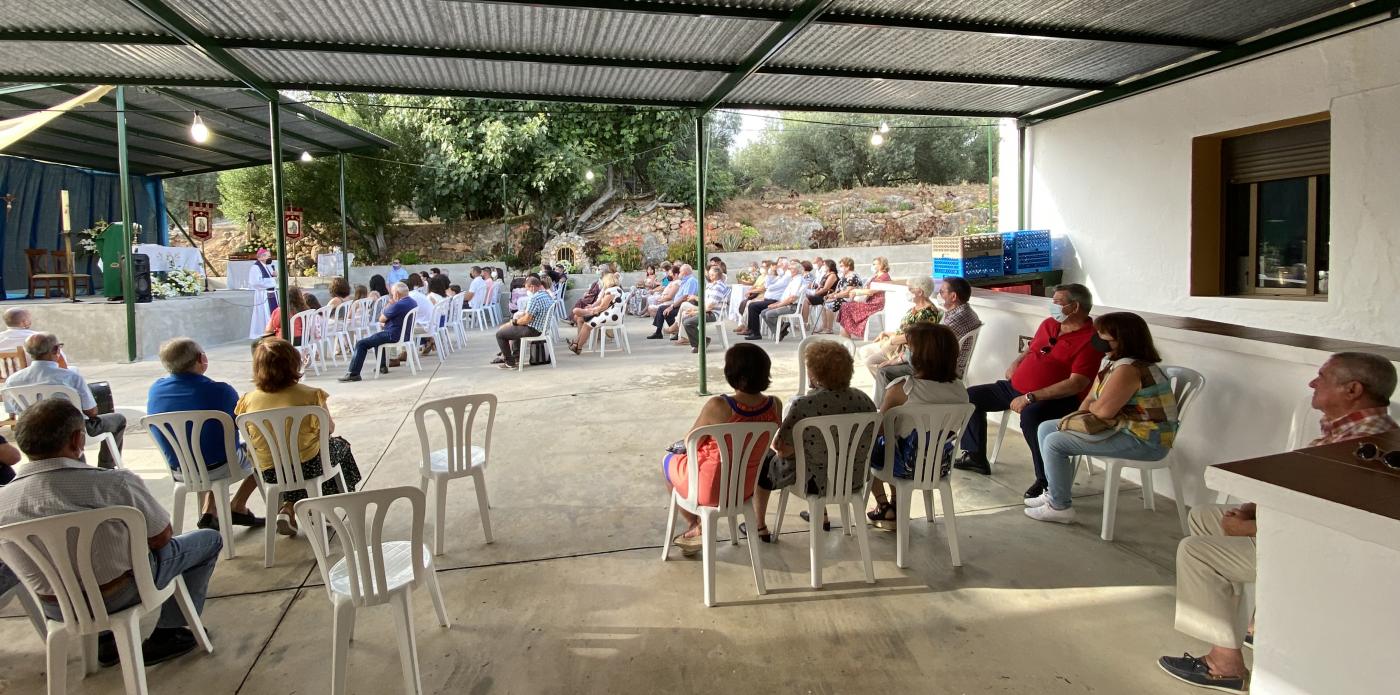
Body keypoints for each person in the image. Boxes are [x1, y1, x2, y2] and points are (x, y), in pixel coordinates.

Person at [1157, 352, 1397, 694]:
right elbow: (1303, 484)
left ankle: (1223, 664)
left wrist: (1254, 527)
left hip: (1316, 549)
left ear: (1353, 389)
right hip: (1296, 528)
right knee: (1206, 516)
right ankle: (1254, 623)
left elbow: (1325, 520)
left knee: (1197, 553)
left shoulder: (1363, 445)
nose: (1313, 383)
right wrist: (1253, 508)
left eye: (1323, 377)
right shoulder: (1349, 427)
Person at [0, 398, 222, 666]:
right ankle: (170, 631)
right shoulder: (113, 483)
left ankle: (105, 640)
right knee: (208, 540)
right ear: (77, 439)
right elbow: (161, 537)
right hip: (121, 592)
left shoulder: (4, 501)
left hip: (56, 606)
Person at [955, 284, 1105, 500]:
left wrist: (1030, 397)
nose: (1053, 306)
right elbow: (1033, 348)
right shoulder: (1050, 324)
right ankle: (975, 456)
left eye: (1058, 302)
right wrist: (1016, 362)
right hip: (1014, 387)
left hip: (1055, 399)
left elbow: (1076, 384)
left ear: (1075, 307)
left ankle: (1046, 480)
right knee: (971, 397)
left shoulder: (1090, 341)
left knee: (1032, 416)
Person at [1026, 313, 1178, 523]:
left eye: (1102, 334)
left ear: (1121, 339)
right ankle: (1054, 492)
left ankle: (1059, 507)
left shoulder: (1129, 369)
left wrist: (1094, 407)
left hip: (1145, 439)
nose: (1096, 337)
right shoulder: (1113, 362)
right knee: (1047, 428)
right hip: (1123, 427)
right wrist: (1077, 419)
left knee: (1055, 442)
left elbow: (1102, 411)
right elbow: (1090, 400)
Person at [748, 340, 877, 540]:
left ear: (815, 374)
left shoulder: (804, 405)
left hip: (813, 482)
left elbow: (782, 448)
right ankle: (821, 514)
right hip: (852, 477)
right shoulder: (864, 400)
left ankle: (759, 526)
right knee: (826, 453)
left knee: (766, 462)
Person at [662, 343, 782, 555]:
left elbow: (692, 440)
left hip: (709, 488)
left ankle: (695, 523)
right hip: (744, 488)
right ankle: (697, 525)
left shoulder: (719, 406)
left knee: (667, 463)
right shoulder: (775, 405)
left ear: (731, 373)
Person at [237, 339, 361, 536]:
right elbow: (328, 429)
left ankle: (288, 506)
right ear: (294, 363)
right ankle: (323, 507)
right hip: (309, 466)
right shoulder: (311, 396)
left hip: (270, 471)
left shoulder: (247, 400)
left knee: (290, 461)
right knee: (339, 447)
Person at [146, 338, 265, 530]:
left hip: (180, 469)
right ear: (202, 359)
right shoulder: (221, 391)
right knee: (263, 453)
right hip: (220, 466)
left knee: (204, 449)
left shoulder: (155, 391)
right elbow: (244, 426)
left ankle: (211, 510)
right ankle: (237, 505)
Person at [866, 323, 969, 525]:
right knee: (901, 442)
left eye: (910, 349)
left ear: (922, 356)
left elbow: (878, 431)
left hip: (904, 466)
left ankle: (884, 504)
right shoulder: (960, 390)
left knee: (869, 446)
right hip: (938, 464)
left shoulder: (902, 388)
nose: (906, 354)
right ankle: (896, 503)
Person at [5, 333, 125, 468]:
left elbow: (14, 411)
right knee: (119, 419)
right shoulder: (70, 376)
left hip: (35, 434)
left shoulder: (13, 380)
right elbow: (91, 412)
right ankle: (107, 466)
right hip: (73, 431)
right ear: (56, 350)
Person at [859, 275, 941, 394]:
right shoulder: (915, 308)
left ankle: (891, 389)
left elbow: (915, 337)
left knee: (870, 362)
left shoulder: (927, 312)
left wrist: (892, 340)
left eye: (910, 289)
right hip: (896, 344)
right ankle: (885, 387)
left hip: (905, 349)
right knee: (864, 351)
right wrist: (887, 333)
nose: (908, 292)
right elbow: (905, 330)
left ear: (919, 292)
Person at [339, 282, 415, 382]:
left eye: (392, 293)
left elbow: (381, 319)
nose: (391, 295)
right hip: (405, 334)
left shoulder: (398, 305)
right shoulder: (412, 302)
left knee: (361, 344)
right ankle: (382, 366)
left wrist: (390, 305)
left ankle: (353, 373)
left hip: (393, 334)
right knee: (376, 338)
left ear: (396, 294)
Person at [493, 275, 554, 369]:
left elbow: (527, 319)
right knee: (513, 330)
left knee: (500, 334)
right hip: (542, 328)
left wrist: (514, 322)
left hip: (533, 329)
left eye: (527, 289)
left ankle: (509, 362)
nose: (527, 291)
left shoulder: (534, 298)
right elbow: (529, 315)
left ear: (532, 287)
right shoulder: (546, 295)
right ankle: (516, 358)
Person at [569, 273, 623, 354]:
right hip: (614, 315)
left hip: (610, 316)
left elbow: (603, 306)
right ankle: (577, 345)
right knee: (585, 320)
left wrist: (593, 310)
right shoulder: (618, 289)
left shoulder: (610, 291)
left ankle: (578, 347)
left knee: (587, 325)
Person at [838, 256, 892, 338]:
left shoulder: (884, 277)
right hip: (870, 301)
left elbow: (871, 291)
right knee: (845, 306)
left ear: (881, 265)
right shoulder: (875, 276)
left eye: (874, 264)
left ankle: (846, 334)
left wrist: (856, 291)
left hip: (875, 304)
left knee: (846, 306)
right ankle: (846, 333)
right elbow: (867, 289)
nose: (872, 266)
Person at [737, 260, 793, 339]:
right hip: (768, 299)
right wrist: (770, 273)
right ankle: (752, 330)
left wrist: (769, 286)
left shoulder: (787, 276)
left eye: (780, 265)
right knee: (750, 304)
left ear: (786, 266)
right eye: (778, 265)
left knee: (753, 306)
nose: (778, 266)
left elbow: (771, 286)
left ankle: (756, 333)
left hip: (775, 300)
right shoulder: (779, 276)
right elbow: (767, 284)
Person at [755, 260, 808, 341]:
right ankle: (780, 330)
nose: (789, 270)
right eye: (789, 268)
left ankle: (779, 331)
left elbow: (792, 298)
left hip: (792, 307)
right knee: (763, 312)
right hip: (787, 304)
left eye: (791, 269)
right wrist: (777, 303)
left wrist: (777, 305)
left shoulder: (798, 280)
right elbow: (786, 297)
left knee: (769, 314)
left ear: (796, 270)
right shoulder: (793, 279)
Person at [681, 265, 728, 353]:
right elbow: (705, 302)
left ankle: (702, 342)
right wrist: (694, 310)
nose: (708, 276)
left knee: (688, 322)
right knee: (685, 319)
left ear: (715, 275)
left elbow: (709, 307)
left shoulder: (718, 287)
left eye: (710, 275)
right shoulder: (712, 285)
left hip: (713, 314)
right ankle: (699, 343)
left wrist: (695, 312)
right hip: (707, 311)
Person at [649, 264, 699, 340]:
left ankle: (672, 331)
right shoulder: (684, 281)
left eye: (680, 271)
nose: (679, 273)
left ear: (685, 272)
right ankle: (667, 332)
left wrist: (671, 306)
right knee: (663, 309)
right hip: (679, 304)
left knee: (664, 310)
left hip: (684, 306)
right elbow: (663, 285)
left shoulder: (690, 281)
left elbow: (685, 297)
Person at [818, 257, 863, 334]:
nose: (840, 268)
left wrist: (835, 296)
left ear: (848, 267)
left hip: (851, 298)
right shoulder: (844, 276)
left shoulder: (852, 277)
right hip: (843, 296)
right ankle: (824, 327)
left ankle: (829, 329)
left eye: (842, 266)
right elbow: (839, 290)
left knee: (829, 304)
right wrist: (831, 295)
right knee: (823, 303)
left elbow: (847, 292)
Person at [246, 248, 279, 339]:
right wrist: (272, 280)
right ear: (260, 257)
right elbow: (255, 282)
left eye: (269, 256)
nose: (269, 258)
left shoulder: (265, 266)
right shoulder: (255, 267)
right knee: (264, 313)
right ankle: (265, 331)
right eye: (268, 256)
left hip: (271, 293)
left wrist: (272, 276)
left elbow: (265, 279)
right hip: (263, 295)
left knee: (272, 312)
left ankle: (273, 330)